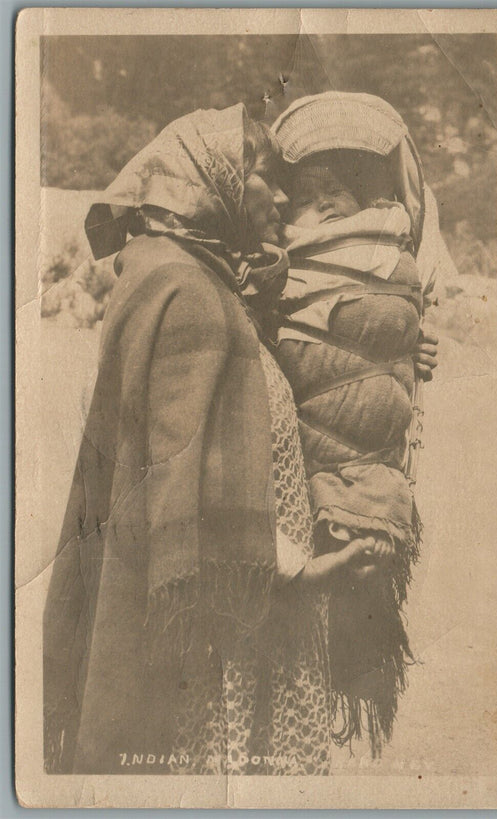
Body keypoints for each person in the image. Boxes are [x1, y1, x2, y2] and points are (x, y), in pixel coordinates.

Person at [43, 103, 380, 777]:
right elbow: (182, 483)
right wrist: (299, 569)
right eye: (261, 172)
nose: (279, 194)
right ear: (215, 179)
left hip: (239, 611)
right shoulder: (185, 289)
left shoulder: (189, 273)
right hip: (230, 631)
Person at [271, 92, 454, 756]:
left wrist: (405, 340)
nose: (329, 205)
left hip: (365, 460)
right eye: (310, 193)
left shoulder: (389, 255)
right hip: (304, 474)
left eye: (341, 191)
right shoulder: (273, 274)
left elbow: (391, 323)